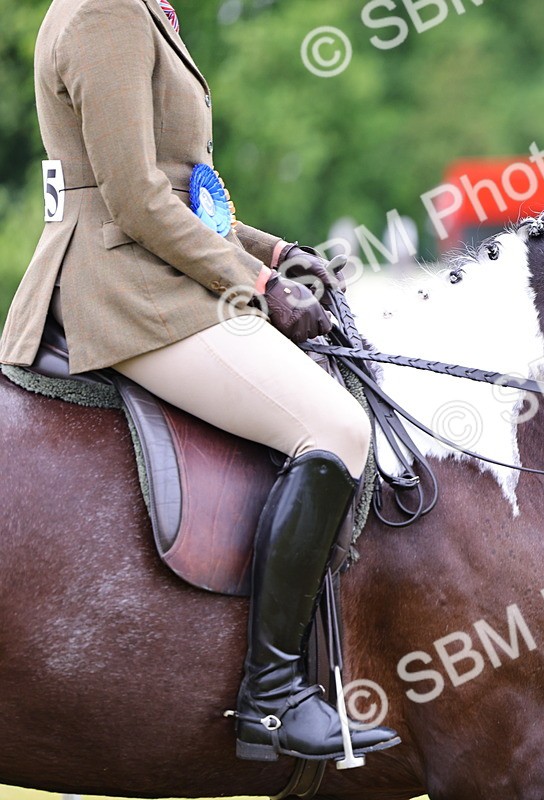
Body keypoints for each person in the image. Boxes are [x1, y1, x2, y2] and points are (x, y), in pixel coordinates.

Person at [0, 0, 400, 762]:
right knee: (337, 430)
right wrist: (256, 283)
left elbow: (181, 191)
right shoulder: (106, 12)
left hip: (152, 273)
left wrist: (279, 253)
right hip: (124, 291)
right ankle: (273, 697)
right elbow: (133, 199)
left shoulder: (144, 9)